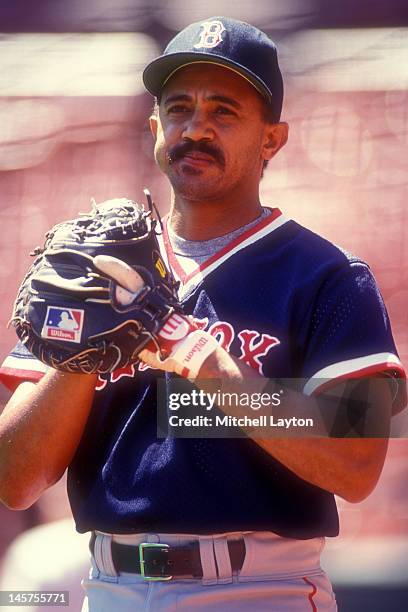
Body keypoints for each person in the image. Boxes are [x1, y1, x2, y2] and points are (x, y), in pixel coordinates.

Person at [0, 16, 406, 612]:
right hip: (108, 586)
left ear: (272, 138)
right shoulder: (91, 270)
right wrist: (83, 354)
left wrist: (208, 364)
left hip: (259, 587)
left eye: (224, 111)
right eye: (179, 108)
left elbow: (356, 465)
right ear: (154, 125)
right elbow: (15, 481)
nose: (196, 129)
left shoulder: (327, 275)